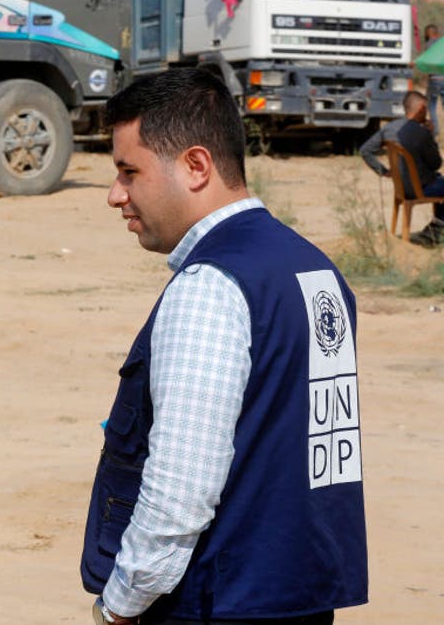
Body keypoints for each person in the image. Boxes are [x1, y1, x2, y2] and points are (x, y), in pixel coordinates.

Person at [80, 69, 367, 624]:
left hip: (217, 602)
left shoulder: (211, 285)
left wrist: (119, 605)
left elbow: (181, 489)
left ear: (195, 166)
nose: (116, 195)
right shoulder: (314, 269)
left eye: (129, 171)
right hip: (300, 597)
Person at [359, 90, 444, 246]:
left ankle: (437, 226)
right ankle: (438, 228)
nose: (426, 113)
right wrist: (430, 136)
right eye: (425, 109)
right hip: (420, 189)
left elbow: (365, 150)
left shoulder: (389, 128)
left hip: (401, 188)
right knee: (440, 182)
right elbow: (436, 164)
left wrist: (384, 171)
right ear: (420, 108)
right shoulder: (422, 133)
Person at [423, 24, 444, 132]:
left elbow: (427, 65)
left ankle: (435, 133)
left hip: (434, 80)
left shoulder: (428, 44)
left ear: (429, 33)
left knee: (432, 107)